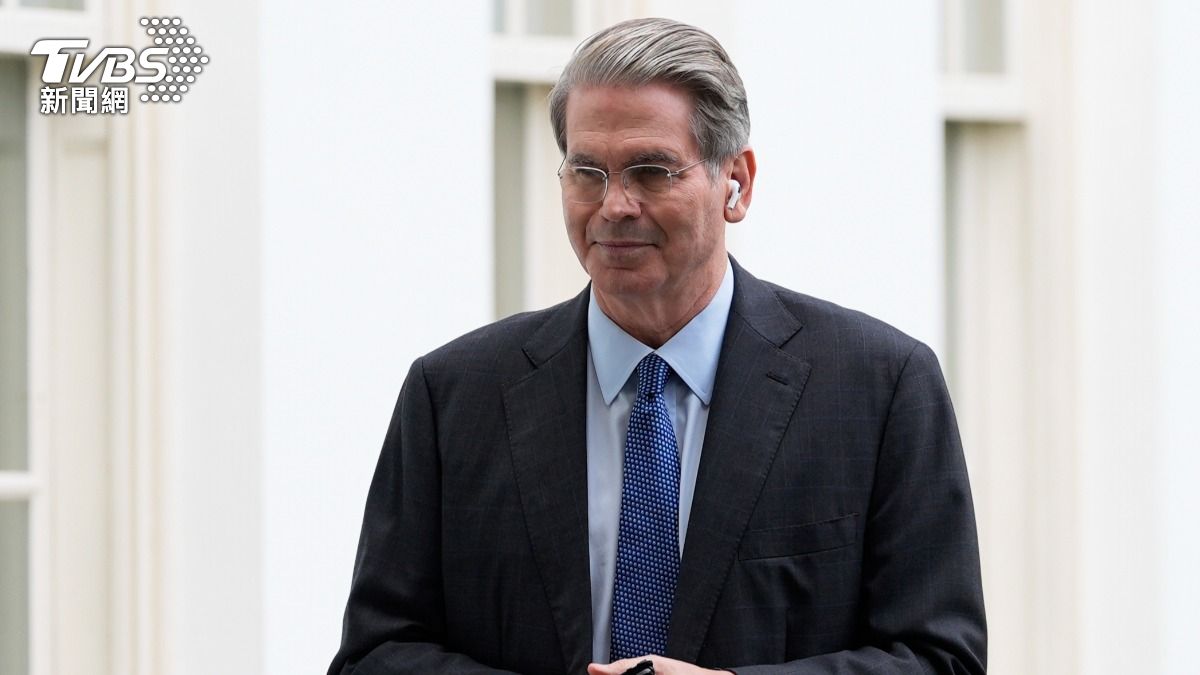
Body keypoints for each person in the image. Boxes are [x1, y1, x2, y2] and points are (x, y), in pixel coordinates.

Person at [328, 17, 986, 675]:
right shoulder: (454, 396)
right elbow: (375, 655)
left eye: (650, 171)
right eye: (587, 171)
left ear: (737, 182)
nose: (614, 205)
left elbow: (941, 658)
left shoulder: (878, 387)